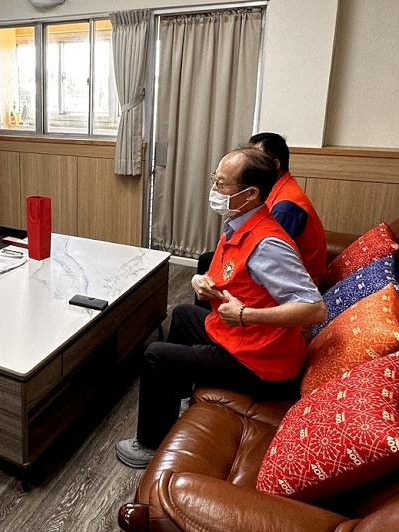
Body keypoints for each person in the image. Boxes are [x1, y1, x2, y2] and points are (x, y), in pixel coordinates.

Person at [116, 148, 327, 469]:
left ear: (250, 194)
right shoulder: (242, 223)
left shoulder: (268, 243)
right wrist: (204, 282)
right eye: (214, 180)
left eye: (222, 184)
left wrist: (245, 315)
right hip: (244, 340)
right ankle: (178, 393)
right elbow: (237, 278)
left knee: (156, 355)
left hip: (262, 364)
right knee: (183, 315)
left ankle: (150, 443)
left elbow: (314, 308)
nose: (214, 189)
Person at [197, 132, 327, 289]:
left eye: (257, 157)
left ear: (275, 165)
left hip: (295, 281)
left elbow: (267, 256)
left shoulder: (286, 207)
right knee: (207, 263)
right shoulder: (274, 190)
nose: (251, 161)